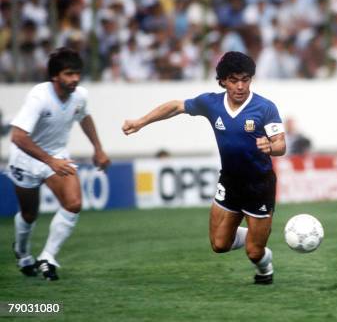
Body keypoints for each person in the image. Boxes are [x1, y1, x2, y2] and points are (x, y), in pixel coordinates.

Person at [122, 51, 286, 285]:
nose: (240, 86)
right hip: (229, 181)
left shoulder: (264, 107)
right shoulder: (212, 103)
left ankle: (264, 263)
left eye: (245, 79)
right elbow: (176, 106)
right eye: (234, 80)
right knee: (219, 245)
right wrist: (140, 122)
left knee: (254, 253)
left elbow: (281, 144)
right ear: (222, 81)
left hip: (259, 184)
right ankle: (258, 234)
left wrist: (271, 146)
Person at [8, 47, 111, 281]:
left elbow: (84, 116)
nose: (74, 79)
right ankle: (23, 253)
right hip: (27, 158)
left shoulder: (79, 95)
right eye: (68, 74)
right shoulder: (39, 97)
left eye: (77, 74)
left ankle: (48, 257)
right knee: (29, 213)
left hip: (57, 155)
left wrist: (98, 148)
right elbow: (18, 136)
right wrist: (49, 161)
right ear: (55, 76)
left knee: (73, 203)